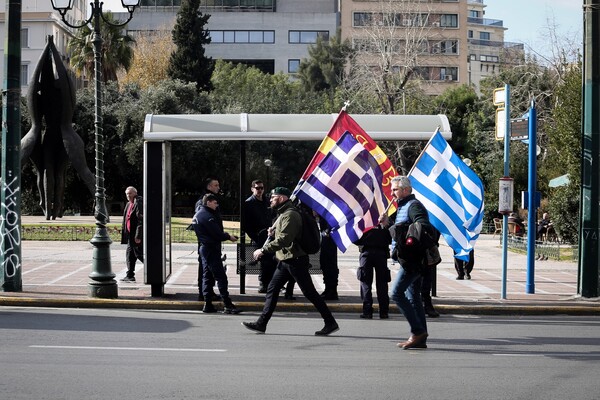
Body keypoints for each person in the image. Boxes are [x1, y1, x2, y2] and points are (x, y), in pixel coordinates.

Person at [242, 187, 339, 335]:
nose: (270, 200)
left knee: (310, 293)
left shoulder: (290, 215)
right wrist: (273, 233)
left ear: (281, 198)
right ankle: (261, 323)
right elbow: (283, 235)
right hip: (286, 260)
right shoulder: (283, 214)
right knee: (272, 290)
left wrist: (263, 250)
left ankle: (330, 322)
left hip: (295, 260)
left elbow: (284, 240)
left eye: (273, 197)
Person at [384, 176, 431, 350]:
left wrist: (409, 236)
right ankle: (421, 339)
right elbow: (400, 231)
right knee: (413, 298)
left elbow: (422, 225)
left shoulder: (414, 206)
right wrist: (387, 224)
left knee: (395, 293)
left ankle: (417, 331)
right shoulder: (403, 206)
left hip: (413, 260)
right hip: (408, 259)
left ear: (405, 190)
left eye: (395, 189)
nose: (392, 193)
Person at [192, 193, 240, 314]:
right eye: (215, 202)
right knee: (221, 277)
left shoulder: (199, 214)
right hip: (211, 249)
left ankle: (207, 304)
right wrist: (229, 236)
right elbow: (217, 234)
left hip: (205, 248)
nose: (216, 205)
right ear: (208, 202)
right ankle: (227, 304)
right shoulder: (207, 216)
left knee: (207, 276)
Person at [242, 179, 276, 293]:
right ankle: (263, 283)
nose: (260, 190)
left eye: (261, 188)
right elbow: (246, 224)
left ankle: (271, 283)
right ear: (252, 189)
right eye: (257, 188)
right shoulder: (248, 203)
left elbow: (272, 215)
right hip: (258, 237)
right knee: (264, 260)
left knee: (272, 259)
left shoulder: (267, 201)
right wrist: (255, 236)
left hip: (270, 235)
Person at [353, 226, 391, 319]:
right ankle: (383, 311)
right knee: (382, 283)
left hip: (367, 252)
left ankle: (367, 311)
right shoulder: (384, 220)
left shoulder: (364, 220)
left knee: (365, 283)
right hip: (381, 253)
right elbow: (390, 238)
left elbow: (355, 238)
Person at [195, 177, 221, 301]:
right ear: (209, 187)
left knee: (209, 269)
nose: (218, 187)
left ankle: (209, 291)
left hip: (212, 241)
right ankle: (204, 292)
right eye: (216, 185)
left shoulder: (210, 200)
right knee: (205, 268)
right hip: (207, 242)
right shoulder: (203, 202)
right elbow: (203, 221)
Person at [120, 186, 143, 282]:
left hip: (135, 235)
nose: (128, 195)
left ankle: (153, 269)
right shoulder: (128, 204)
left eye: (130, 193)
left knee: (139, 254)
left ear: (135, 193)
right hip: (130, 235)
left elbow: (140, 220)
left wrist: (138, 235)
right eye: (127, 194)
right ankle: (130, 275)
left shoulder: (138, 203)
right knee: (130, 254)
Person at [319, 217, 339, 300]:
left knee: (329, 265)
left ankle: (332, 290)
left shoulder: (329, 210)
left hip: (329, 237)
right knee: (325, 264)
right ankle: (328, 289)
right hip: (326, 236)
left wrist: (327, 230)